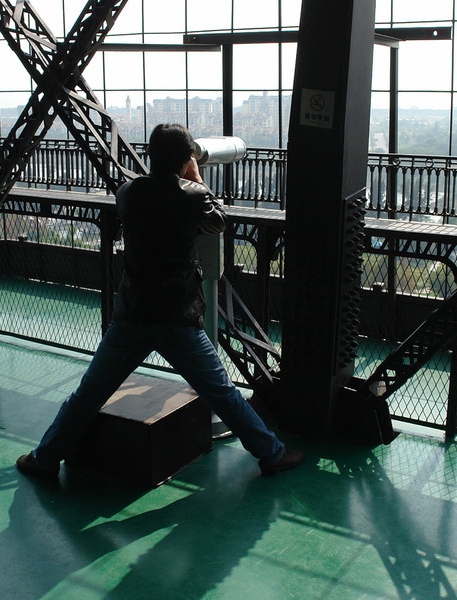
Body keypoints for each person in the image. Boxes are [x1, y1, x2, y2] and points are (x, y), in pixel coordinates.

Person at [16, 124, 303, 480]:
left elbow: (150, 198)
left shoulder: (127, 193)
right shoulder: (192, 196)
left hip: (132, 314)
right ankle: (271, 454)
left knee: (89, 393)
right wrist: (196, 178)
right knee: (223, 394)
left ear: (150, 156)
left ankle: (44, 459)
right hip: (178, 317)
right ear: (186, 161)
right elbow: (219, 221)